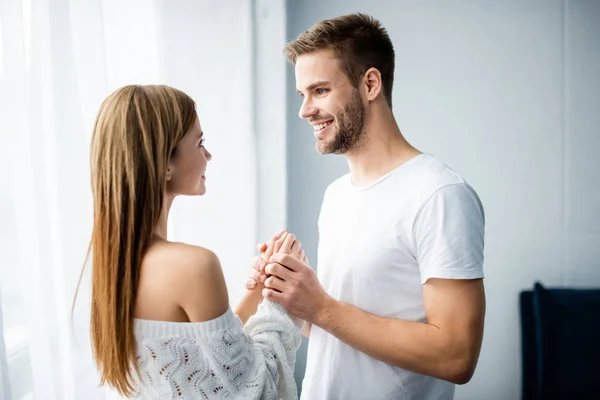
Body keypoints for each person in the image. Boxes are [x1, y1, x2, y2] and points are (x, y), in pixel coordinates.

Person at [247, 13, 486, 399]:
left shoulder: (439, 195)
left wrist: (321, 306)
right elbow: (339, 333)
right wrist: (291, 294)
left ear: (370, 83)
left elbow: (456, 356)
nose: (304, 110)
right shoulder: (337, 195)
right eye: (302, 94)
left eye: (320, 90)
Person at [80, 84, 305, 399]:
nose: (208, 155)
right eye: (200, 143)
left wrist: (258, 292)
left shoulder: (112, 267)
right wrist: (279, 302)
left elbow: (209, 360)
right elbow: (259, 390)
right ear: (165, 164)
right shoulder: (193, 265)